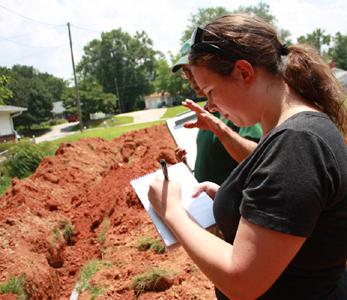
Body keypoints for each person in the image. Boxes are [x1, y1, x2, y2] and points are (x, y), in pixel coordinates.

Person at [149, 13, 347, 299]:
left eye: (211, 91)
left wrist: (172, 212)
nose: (212, 105)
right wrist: (234, 200)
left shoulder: (297, 143)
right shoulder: (293, 131)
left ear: (244, 72)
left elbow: (242, 281)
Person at [172, 40, 262, 184]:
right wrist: (186, 168)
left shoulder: (235, 106)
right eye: (186, 73)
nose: (191, 79)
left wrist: (220, 129)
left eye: (192, 70)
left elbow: (260, 159)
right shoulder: (207, 109)